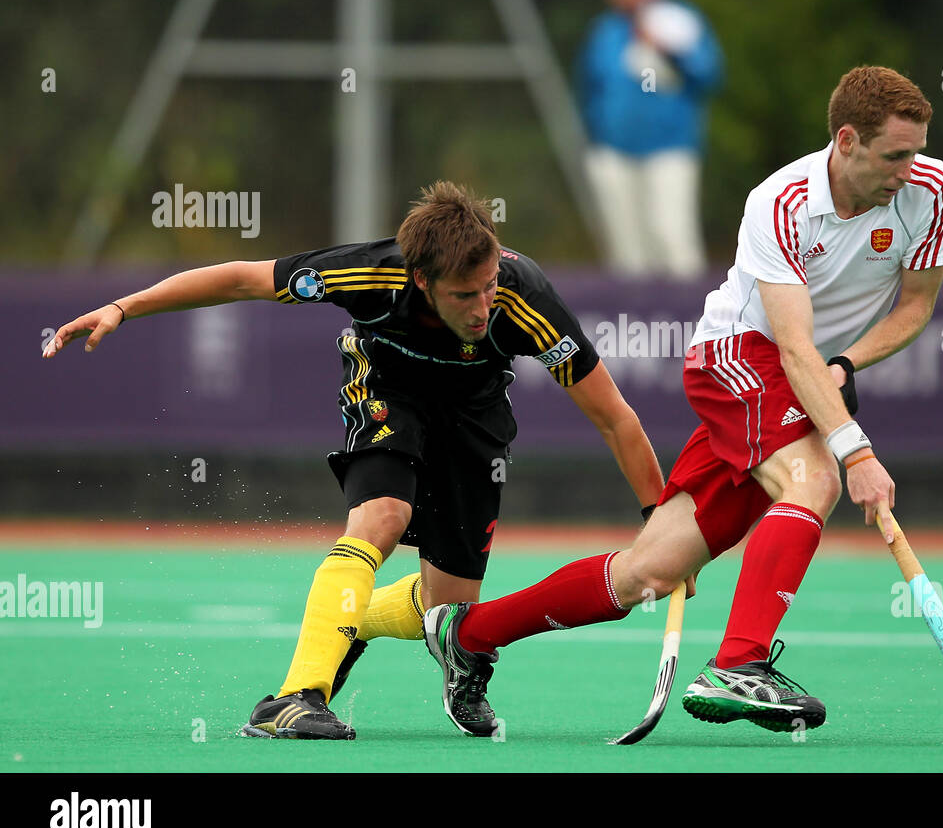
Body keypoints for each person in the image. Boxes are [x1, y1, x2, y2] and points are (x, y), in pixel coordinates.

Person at [422, 66, 943, 737]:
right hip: (738, 358)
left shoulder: (932, 191)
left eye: (917, 151)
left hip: (810, 375)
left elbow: (914, 309)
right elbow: (790, 347)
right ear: (846, 141)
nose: (911, 169)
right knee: (816, 475)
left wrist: (847, 362)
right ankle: (740, 664)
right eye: (895, 155)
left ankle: (470, 635)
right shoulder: (782, 202)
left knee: (649, 571)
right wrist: (857, 451)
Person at [41, 182, 665, 738]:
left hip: (474, 414)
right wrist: (126, 306)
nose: (483, 307)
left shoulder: (524, 299)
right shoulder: (370, 274)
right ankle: (294, 698)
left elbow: (615, 417)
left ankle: (348, 619)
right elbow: (242, 278)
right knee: (382, 518)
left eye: (489, 288)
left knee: (444, 610)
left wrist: (659, 522)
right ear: (421, 280)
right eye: (464, 295)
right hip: (385, 390)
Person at [577, 0, 723, 279]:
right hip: (612, 152)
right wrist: (597, 135)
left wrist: (667, 48)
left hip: (670, 148)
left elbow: (709, 74)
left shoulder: (679, 20)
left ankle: (691, 319)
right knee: (626, 248)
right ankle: (634, 322)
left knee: (671, 233)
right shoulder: (605, 32)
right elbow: (589, 88)